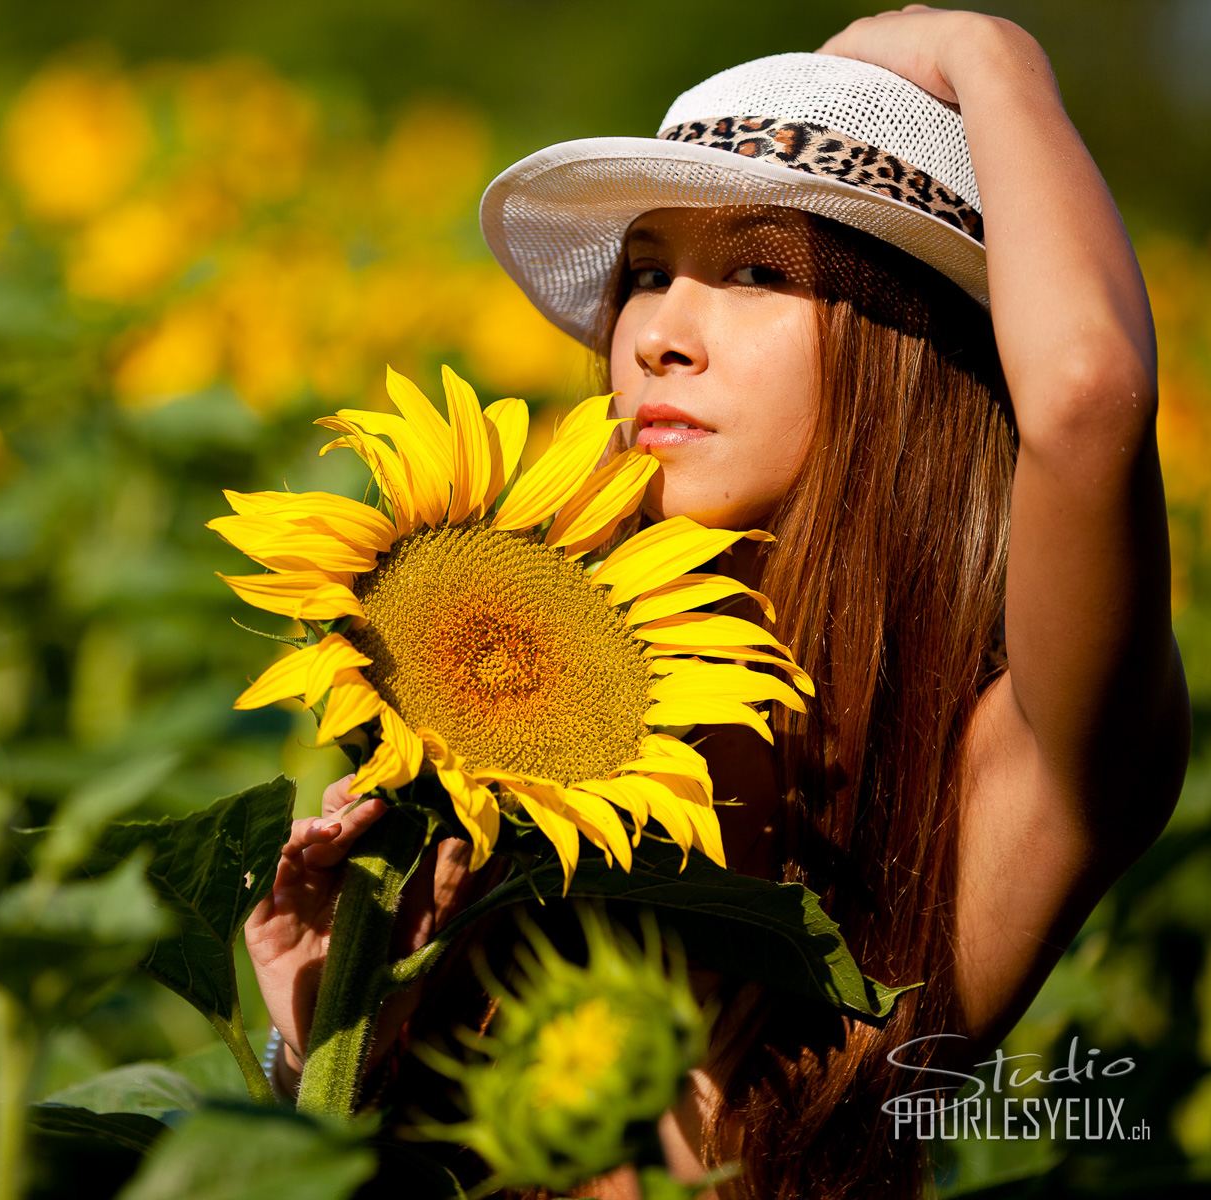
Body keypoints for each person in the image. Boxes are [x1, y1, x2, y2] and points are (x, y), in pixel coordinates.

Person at [243, 7, 1191, 1198]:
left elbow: (1090, 397)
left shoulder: (1000, 767)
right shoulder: (532, 705)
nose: (659, 338)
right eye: (647, 273)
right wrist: (332, 1046)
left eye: (755, 270)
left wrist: (988, 53)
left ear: (910, 342)